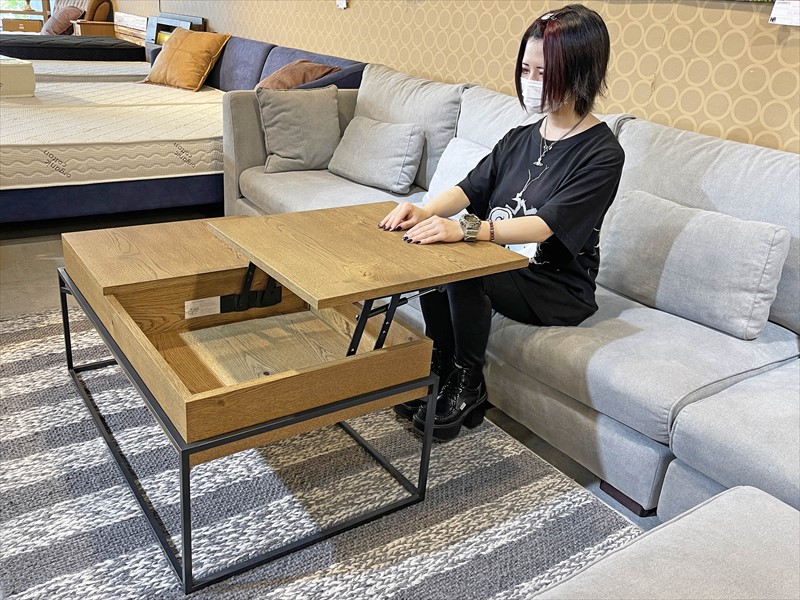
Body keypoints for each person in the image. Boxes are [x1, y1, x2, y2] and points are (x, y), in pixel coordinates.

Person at [379, 4, 625, 443]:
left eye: (543, 73)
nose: (531, 82)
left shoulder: (602, 153)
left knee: (466, 265)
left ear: (580, 73)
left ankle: (468, 383)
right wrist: (426, 211)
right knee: (431, 249)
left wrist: (467, 230)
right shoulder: (520, 137)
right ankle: (441, 367)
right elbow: (471, 187)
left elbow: (545, 226)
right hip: (505, 264)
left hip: (555, 284)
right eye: (526, 70)